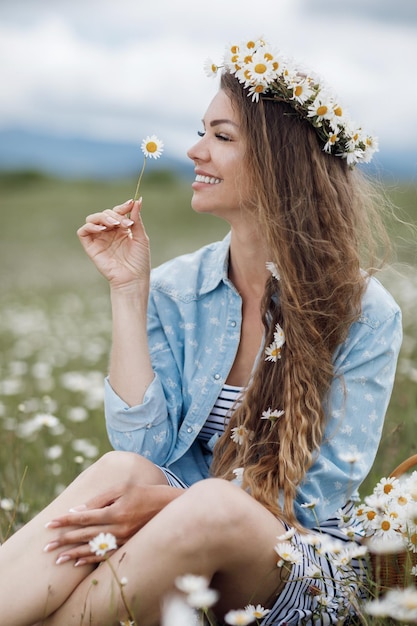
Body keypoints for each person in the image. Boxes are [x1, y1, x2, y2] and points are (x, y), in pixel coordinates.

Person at [0, 37, 402, 625]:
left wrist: (170, 502)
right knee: (120, 472)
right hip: (176, 539)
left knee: (212, 501)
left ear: (278, 162)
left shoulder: (363, 312)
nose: (193, 151)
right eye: (200, 131)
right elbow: (145, 455)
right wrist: (128, 292)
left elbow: (314, 501)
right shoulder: (175, 289)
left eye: (221, 136)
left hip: (296, 565)